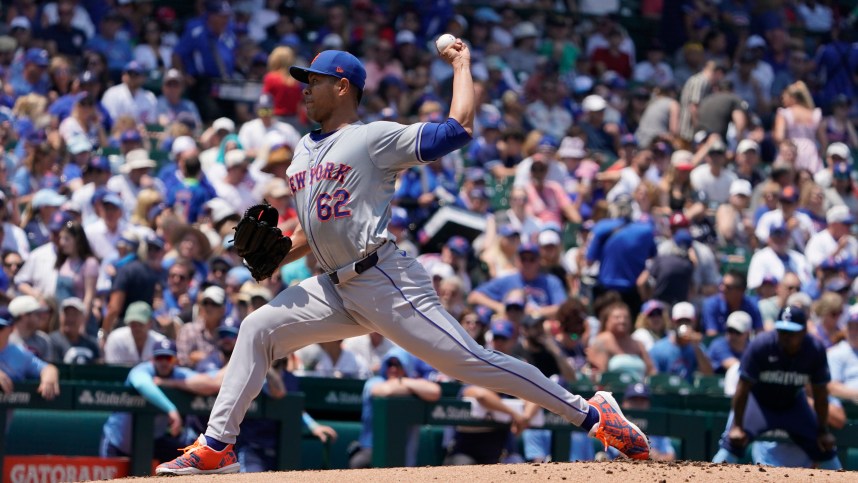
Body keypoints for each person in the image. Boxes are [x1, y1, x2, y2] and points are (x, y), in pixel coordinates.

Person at [156, 45, 649, 475]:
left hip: (383, 278)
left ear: (343, 87)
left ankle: (591, 413)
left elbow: (457, 130)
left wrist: (461, 65)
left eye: (315, 82)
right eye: (304, 81)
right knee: (257, 328)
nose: (304, 89)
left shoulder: (372, 138)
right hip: (334, 287)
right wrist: (282, 254)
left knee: (472, 363)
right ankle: (217, 445)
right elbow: (315, 227)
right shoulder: (301, 153)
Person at [711, 306, 842, 469]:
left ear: (803, 332)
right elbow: (743, 388)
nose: (786, 336)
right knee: (733, 442)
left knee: (823, 447)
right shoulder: (762, 345)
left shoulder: (814, 349)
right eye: (782, 331)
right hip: (760, 405)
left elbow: (821, 393)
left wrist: (823, 430)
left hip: (793, 405)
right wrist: (737, 425)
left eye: (792, 333)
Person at [99, 339, 196, 463]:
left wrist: (172, 383)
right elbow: (141, 384)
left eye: (169, 358)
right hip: (117, 444)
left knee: (183, 453)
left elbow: (208, 381)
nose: (164, 362)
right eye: (160, 357)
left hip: (149, 447)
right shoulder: (142, 370)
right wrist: (171, 409)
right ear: (152, 359)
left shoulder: (179, 375)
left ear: (176, 360)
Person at [348, 347, 441, 468]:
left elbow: (435, 391)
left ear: (406, 367)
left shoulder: (411, 384)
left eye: (398, 365)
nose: (393, 369)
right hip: (372, 448)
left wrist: (404, 382)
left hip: (404, 454)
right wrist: (407, 384)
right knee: (359, 462)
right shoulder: (375, 381)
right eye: (389, 364)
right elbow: (385, 390)